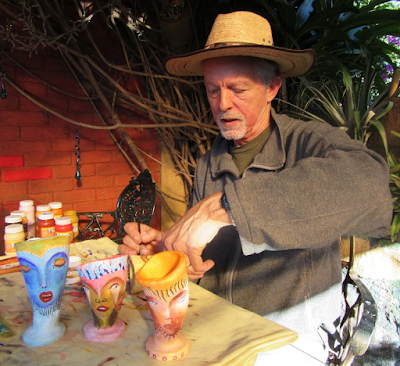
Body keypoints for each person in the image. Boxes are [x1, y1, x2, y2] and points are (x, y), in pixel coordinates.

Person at [119, 11, 393, 365]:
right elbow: (204, 263)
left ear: (272, 88)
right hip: (217, 329)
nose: (223, 104)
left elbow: (371, 188)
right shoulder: (208, 165)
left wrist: (227, 206)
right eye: (213, 90)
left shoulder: (308, 143)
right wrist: (168, 250)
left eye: (238, 89)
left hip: (292, 341)